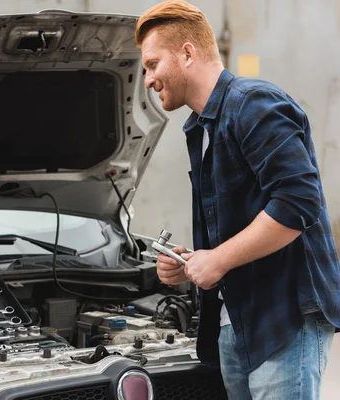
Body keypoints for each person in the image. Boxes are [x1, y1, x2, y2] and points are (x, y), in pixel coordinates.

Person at [135, 1, 339, 399]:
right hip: (235, 322)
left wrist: (219, 259)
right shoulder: (200, 127)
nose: (147, 79)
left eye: (153, 64)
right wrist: (192, 260)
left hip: (283, 318)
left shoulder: (253, 103)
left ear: (188, 53)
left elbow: (298, 203)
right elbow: (240, 228)